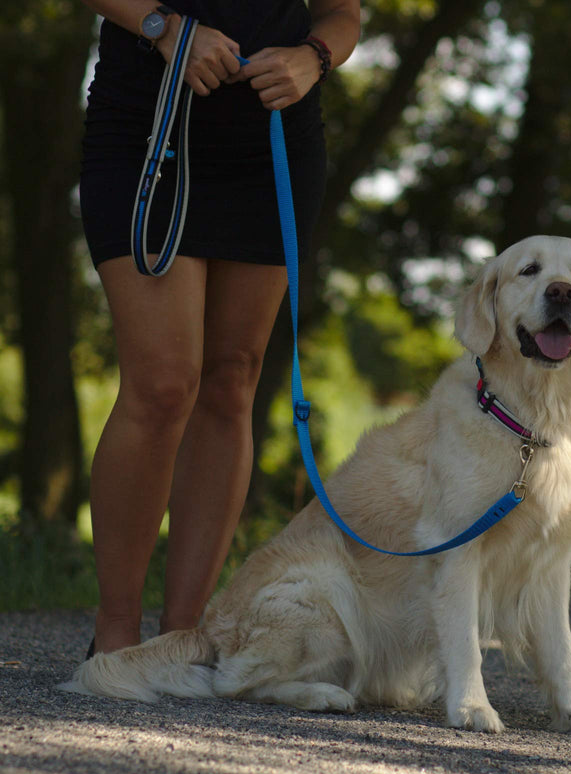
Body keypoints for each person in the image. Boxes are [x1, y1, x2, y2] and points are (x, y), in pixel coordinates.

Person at [79, 0, 361, 655]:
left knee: (233, 378)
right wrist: (165, 27)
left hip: (271, 144)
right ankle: (115, 641)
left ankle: (183, 636)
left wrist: (312, 59)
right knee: (163, 383)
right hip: (146, 127)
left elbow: (343, 14)